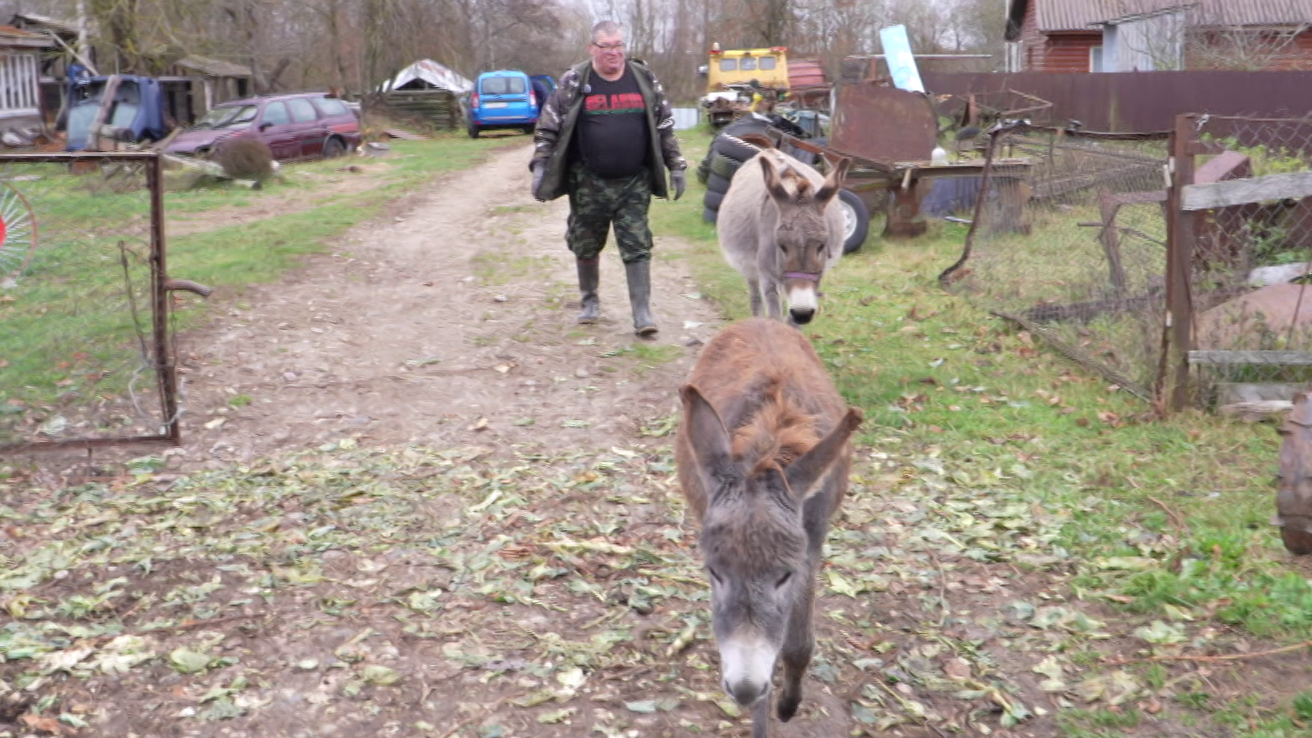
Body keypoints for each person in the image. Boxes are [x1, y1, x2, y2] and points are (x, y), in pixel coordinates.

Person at [529, 20, 687, 336]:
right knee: (585, 243)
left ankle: (642, 313)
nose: (615, 53)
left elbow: (664, 126)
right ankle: (590, 303)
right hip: (588, 181)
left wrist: (677, 165)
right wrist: (540, 165)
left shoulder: (643, 78)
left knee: (637, 243)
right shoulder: (575, 81)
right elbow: (549, 125)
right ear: (593, 49)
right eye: (607, 47)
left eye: (619, 46)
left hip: (634, 182)